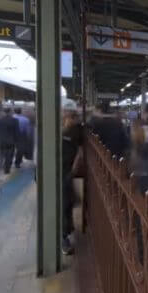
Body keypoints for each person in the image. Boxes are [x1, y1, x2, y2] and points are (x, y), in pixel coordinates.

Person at [61, 101, 83, 255]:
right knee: (63, 203)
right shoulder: (58, 129)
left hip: (67, 171)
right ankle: (64, 235)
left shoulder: (76, 130)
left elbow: (80, 150)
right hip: (59, 171)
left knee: (66, 202)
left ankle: (66, 231)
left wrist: (74, 168)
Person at [0, 107, 19, 174]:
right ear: (10, 112)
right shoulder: (14, 120)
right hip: (10, 141)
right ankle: (7, 169)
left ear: (3, 112)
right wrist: (17, 141)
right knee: (9, 156)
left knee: (0, 154)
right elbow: (17, 132)